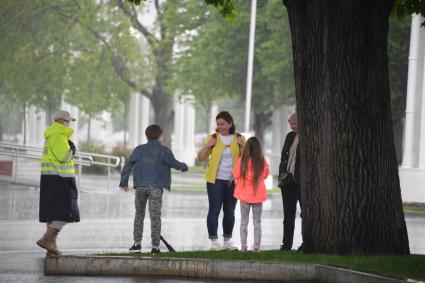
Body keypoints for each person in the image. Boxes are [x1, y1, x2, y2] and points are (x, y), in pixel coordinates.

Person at [119, 124, 188, 254]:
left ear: (146, 135)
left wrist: (124, 182)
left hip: (140, 186)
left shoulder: (139, 149)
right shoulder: (164, 151)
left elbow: (128, 165)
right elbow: (174, 163)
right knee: (155, 217)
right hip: (156, 188)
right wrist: (184, 167)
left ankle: (136, 244)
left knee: (139, 215)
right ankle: (155, 247)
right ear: (160, 136)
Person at [197, 111, 245, 250]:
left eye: (223, 124)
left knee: (230, 211)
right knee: (214, 210)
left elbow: (248, 157)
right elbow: (200, 157)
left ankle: (227, 242)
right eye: (218, 124)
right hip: (215, 180)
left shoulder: (239, 138)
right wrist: (208, 145)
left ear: (230, 124)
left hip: (233, 181)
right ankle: (214, 242)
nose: (220, 126)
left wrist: (243, 145)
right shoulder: (213, 137)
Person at [37, 110, 79, 256]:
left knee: (54, 213)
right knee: (67, 211)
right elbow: (64, 157)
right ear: (61, 120)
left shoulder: (52, 134)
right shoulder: (58, 135)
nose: (69, 124)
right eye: (68, 121)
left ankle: (51, 247)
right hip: (60, 179)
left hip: (52, 178)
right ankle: (46, 240)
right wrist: (72, 149)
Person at [232, 137, 269, 252]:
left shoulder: (242, 161)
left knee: (244, 222)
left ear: (247, 148)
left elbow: (235, 175)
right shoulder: (262, 161)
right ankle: (257, 247)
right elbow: (265, 175)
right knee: (257, 222)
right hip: (258, 196)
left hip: (244, 196)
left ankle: (244, 247)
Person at [278, 113, 301, 251]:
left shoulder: (309, 135)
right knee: (288, 215)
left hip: (301, 180)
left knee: (306, 213)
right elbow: (283, 156)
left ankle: (306, 243)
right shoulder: (290, 136)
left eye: (295, 124)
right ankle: (286, 245)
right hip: (287, 180)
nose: (292, 127)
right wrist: (282, 173)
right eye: (290, 124)